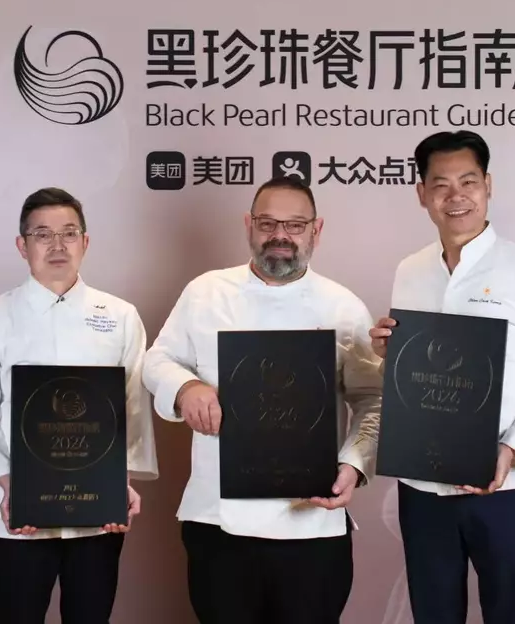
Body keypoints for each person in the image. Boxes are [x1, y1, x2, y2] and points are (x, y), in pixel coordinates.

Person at [370, 131, 515, 624]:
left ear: (488, 185)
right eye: (441, 184)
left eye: (468, 181)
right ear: (421, 193)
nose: (456, 196)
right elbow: (420, 372)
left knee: (511, 614)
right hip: (422, 484)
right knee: (433, 614)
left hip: (505, 484)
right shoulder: (410, 270)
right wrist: (390, 354)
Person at [142, 176, 383, 624]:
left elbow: (373, 400)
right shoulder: (206, 292)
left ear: (316, 230)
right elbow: (157, 360)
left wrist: (353, 464)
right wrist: (186, 388)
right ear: (249, 225)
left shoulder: (343, 307)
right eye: (268, 223)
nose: (280, 235)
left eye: (295, 225)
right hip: (218, 519)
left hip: (312, 522)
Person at [0, 187, 158, 624]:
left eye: (69, 233)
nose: (57, 245)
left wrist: (118, 482)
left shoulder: (120, 316)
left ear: (85, 242)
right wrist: (12, 487)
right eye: (42, 234)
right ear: (22, 245)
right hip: (18, 512)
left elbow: (132, 408)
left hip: (97, 513)